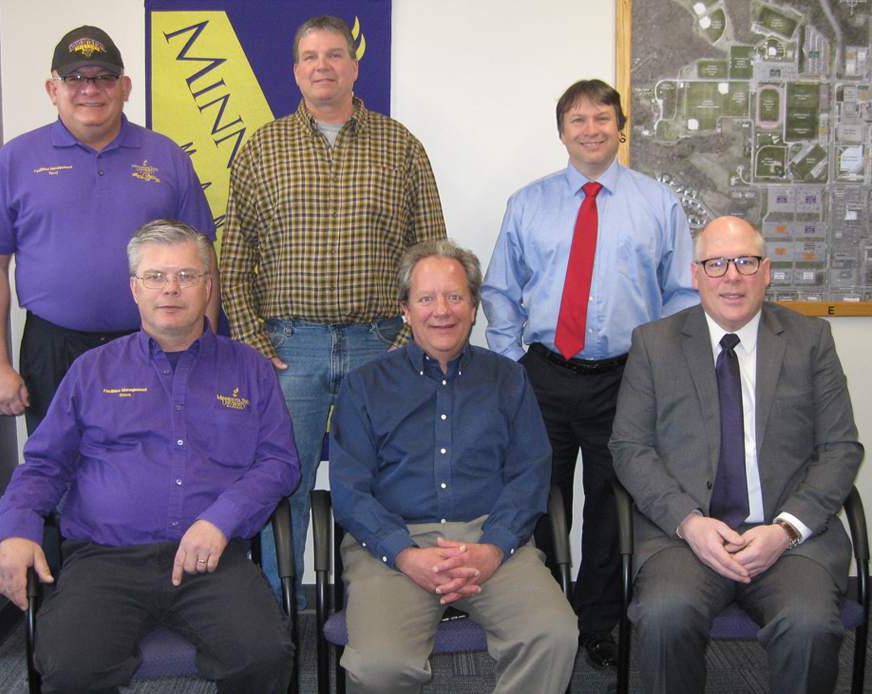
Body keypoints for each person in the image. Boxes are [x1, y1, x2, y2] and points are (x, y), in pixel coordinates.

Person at [0, 220, 299, 694]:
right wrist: (15, 530)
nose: (170, 288)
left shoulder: (249, 368)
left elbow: (279, 463)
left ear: (208, 285)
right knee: (72, 668)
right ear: (134, 288)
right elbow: (45, 465)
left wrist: (222, 519)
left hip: (211, 560)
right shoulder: (92, 369)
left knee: (263, 656)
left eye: (187, 275)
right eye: (155, 276)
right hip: (104, 561)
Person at [220, 14, 446, 602]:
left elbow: (431, 252)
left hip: (379, 344)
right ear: (296, 71)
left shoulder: (402, 146)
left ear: (354, 64)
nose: (324, 66)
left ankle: (372, 611)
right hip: (289, 348)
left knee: (377, 485)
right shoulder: (260, 149)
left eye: (335, 54)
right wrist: (253, 343)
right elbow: (234, 257)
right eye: (311, 57)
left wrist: (408, 343)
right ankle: (273, 615)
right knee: (280, 482)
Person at [480, 78, 698, 666]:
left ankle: (598, 621)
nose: (592, 129)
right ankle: (544, 618)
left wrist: (664, 371)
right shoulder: (528, 203)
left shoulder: (658, 203)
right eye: (578, 120)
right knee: (538, 497)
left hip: (627, 378)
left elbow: (681, 293)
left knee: (611, 501)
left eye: (602, 118)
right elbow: (501, 290)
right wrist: (511, 365)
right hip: (543, 376)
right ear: (562, 132)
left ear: (620, 127)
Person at [609, 216, 863, 694]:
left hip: (789, 540)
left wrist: (786, 530)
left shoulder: (810, 340)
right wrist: (689, 522)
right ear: (696, 274)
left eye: (745, 262)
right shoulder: (654, 343)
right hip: (685, 540)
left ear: (766, 272)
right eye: (717, 263)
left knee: (809, 625)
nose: (731, 276)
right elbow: (629, 447)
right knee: (665, 616)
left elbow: (840, 449)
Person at [329, 239, 577, 694]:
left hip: (489, 538)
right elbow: (348, 490)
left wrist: (494, 547)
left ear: (474, 305)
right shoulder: (364, 387)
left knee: (553, 634)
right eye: (426, 298)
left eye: (455, 296)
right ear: (404, 309)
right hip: (394, 544)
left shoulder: (508, 379)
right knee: (380, 666)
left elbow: (530, 473)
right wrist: (404, 554)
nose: (441, 310)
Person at [0, 25, 219, 434]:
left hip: (152, 343)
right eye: (75, 78)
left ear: (125, 87)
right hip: (53, 350)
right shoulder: (14, 160)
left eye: (103, 77)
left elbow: (203, 261)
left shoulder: (167, 157)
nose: (90, 89)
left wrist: (203, 348)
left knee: (153, 467)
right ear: (53, 89)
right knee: (58, 473)